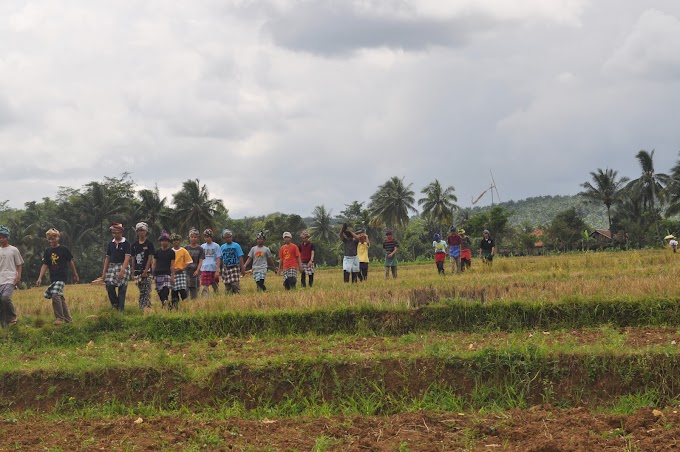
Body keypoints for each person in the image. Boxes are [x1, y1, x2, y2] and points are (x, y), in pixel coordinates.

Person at [36, 228, 78, 325]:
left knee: (55, 294)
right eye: (49, 239)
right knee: (60, 298)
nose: (51, 241)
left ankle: (59, 318)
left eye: (53, 239)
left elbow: (71, 262)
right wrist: (40, 277)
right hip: (53, 277)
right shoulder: (48, 251)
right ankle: (69, 320)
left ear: (57, 238)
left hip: (62, 276)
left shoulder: (64, 249)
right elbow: (45, 265)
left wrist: (75, 274)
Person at [101, 223, 132, 311]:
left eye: (116, 232)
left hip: (123, 265)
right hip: (112, 266)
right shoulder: (111, 244)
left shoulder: (126, 243)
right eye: (113, 233)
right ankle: (115, 305)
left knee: (122, 288)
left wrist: (122, 270)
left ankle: (120, 310)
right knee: (109, 285)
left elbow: (127, 257)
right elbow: (107, 258)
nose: (114, 234)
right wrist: (104, 272)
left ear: (121, 232)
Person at [0, 226, 23, 327]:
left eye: (3, 237)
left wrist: (18, 276)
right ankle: (4, 325)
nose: (1, 239)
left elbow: (19, 264)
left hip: (10, 279)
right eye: (0, 237)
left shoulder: (14, 250)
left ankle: (12, 317)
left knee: (5, 298)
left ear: (7, 237)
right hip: (0, 279)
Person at [131, 222, 155, 310]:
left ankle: (142, 307)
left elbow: (150, 258)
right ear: (137, 232)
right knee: (142, 290)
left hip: (147, 271)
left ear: (146, 232)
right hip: (138, 271)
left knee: (146, 290)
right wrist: (133, 270)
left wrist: (145, 271)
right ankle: (148, 306)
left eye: (143, 230)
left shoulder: (149, 244)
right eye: (139, 231)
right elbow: (133, 258)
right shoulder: (134, 245)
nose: (141, 232)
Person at [152, 231, 175, 308]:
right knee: (159, 292)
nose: (164, 242)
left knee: (165, 291)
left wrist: (172, 276)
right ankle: (166, 305)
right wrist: (152, 274)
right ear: (160, 242)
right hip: (158, 274)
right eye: (162, 241)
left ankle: (165, 304)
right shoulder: (157, 252)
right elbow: (154, 263)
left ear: (168, 242)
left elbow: (172, 265)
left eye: (165, 241)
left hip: (166, 274)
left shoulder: (171, 252)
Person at [220, 229, 245, 294]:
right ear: (224, 238)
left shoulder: (236, 245)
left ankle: (237, 295)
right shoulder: (222, 247)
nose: (229, 238)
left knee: (235, 284)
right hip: (226, 267)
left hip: (235, 266)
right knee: (227, 286)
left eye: (230, 237)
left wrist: (242, 268)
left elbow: (240, 257)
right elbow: (220, 258)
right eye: (227, 237)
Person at [171, 233, 192, 307]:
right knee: (174, 291)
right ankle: (174, 307)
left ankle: (186, 306)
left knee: (182, 290)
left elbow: (188, 262)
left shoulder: (184, 250)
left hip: (181, 273)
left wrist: (182, 268)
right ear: (172, 242)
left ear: (180, 241)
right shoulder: (170, 251)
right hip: (173, 273)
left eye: (177, 240)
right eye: (174, 240)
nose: (176, 242)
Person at [200, 229, 221, 298]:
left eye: (208, 236)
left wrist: (217, 270)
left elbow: (218, 258)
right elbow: (200, 259)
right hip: (204, 268)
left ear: (211, 237)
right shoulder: (202, 247)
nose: (207, 238)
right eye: (205, 237)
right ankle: (205, 300)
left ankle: (217, 298)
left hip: (213, 268)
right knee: (204, 286)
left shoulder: (216, 246)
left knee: (215, 286)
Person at [184, 227, 205, 299]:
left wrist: (197, 270)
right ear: (189, 238)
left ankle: (194, 305)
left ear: (197, 238)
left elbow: (201, 260)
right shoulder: (186, 248)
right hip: (186, 271)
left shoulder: (200, 249)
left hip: (195, 272)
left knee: (194, 290)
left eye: (195, 237)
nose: (193, 238)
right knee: (185, 290)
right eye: (192, 237)